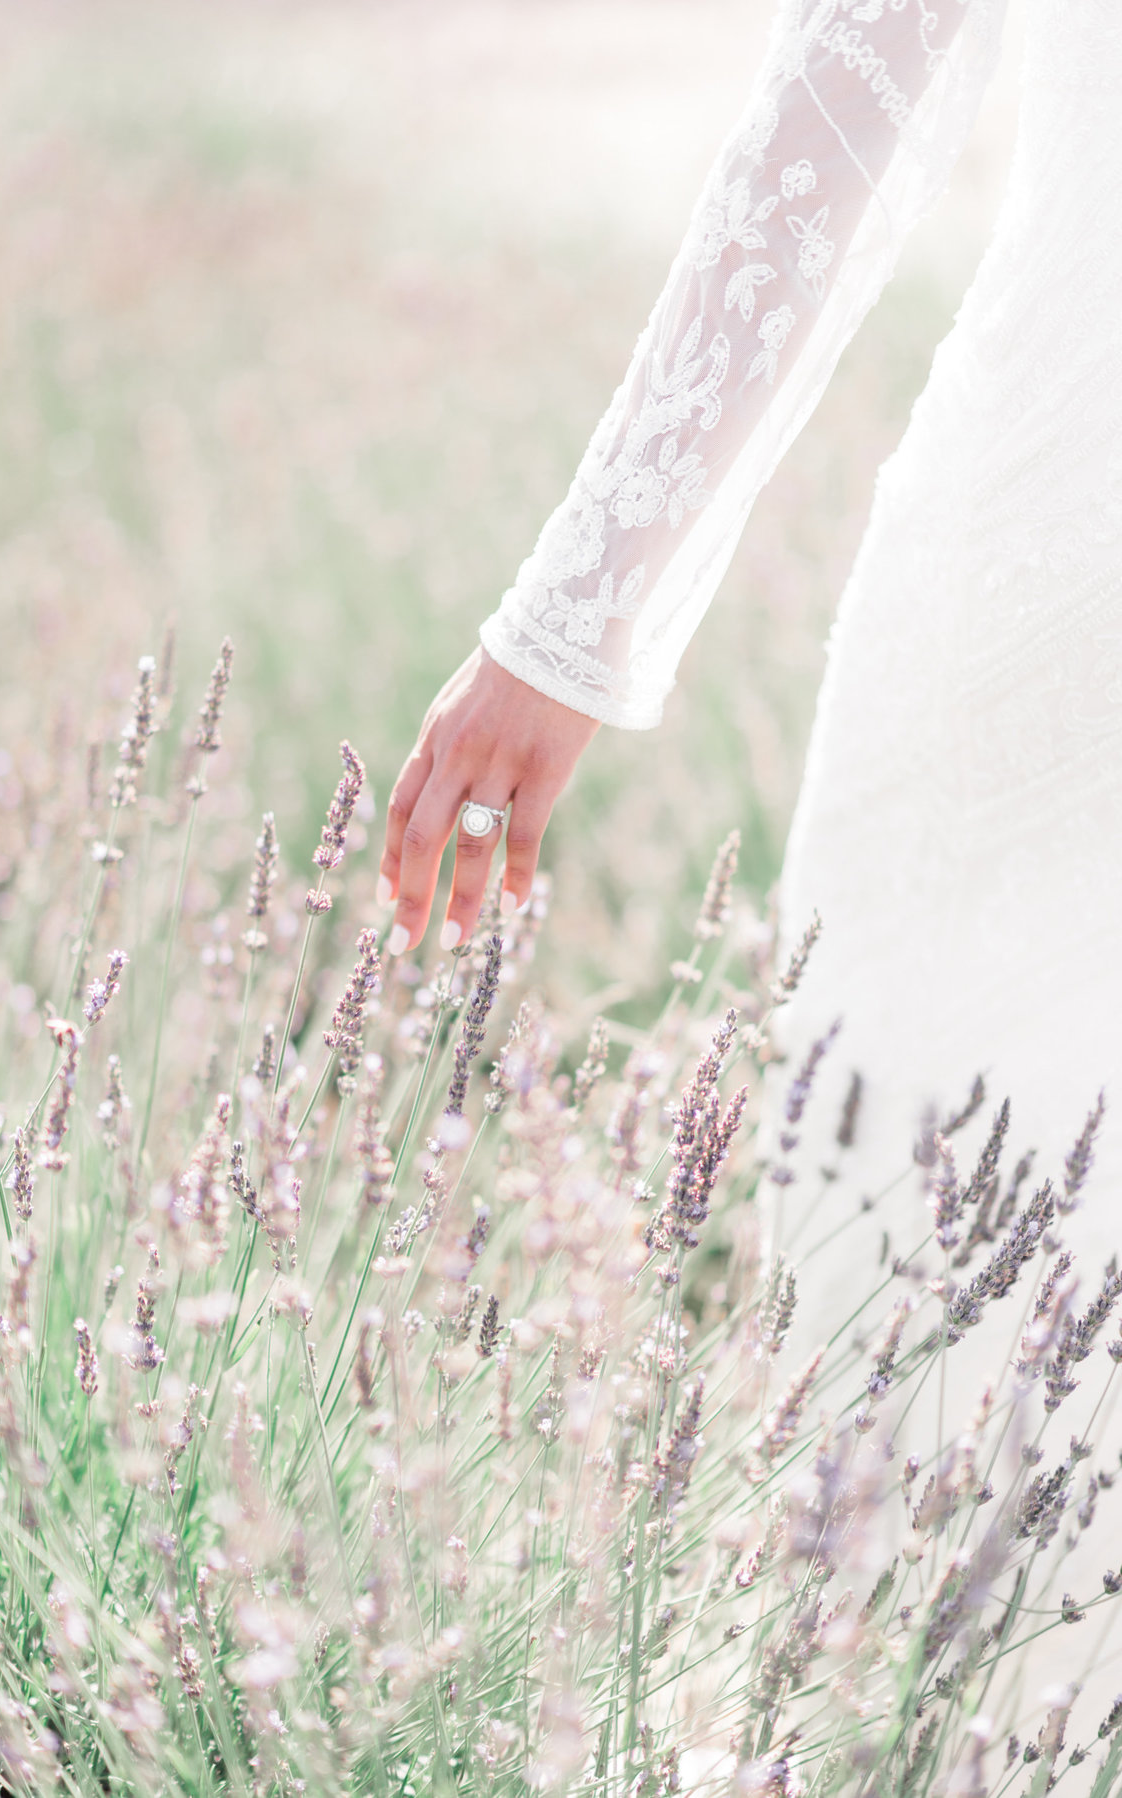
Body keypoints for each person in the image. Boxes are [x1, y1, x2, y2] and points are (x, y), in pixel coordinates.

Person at [378, 0, 1122, 1746]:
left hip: (1016, 596)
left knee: (911, 1338)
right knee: (912, 1328)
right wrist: (574, 622)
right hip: (1021, 632)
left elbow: (839, 111)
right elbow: (845, 107)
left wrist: (575, 617)